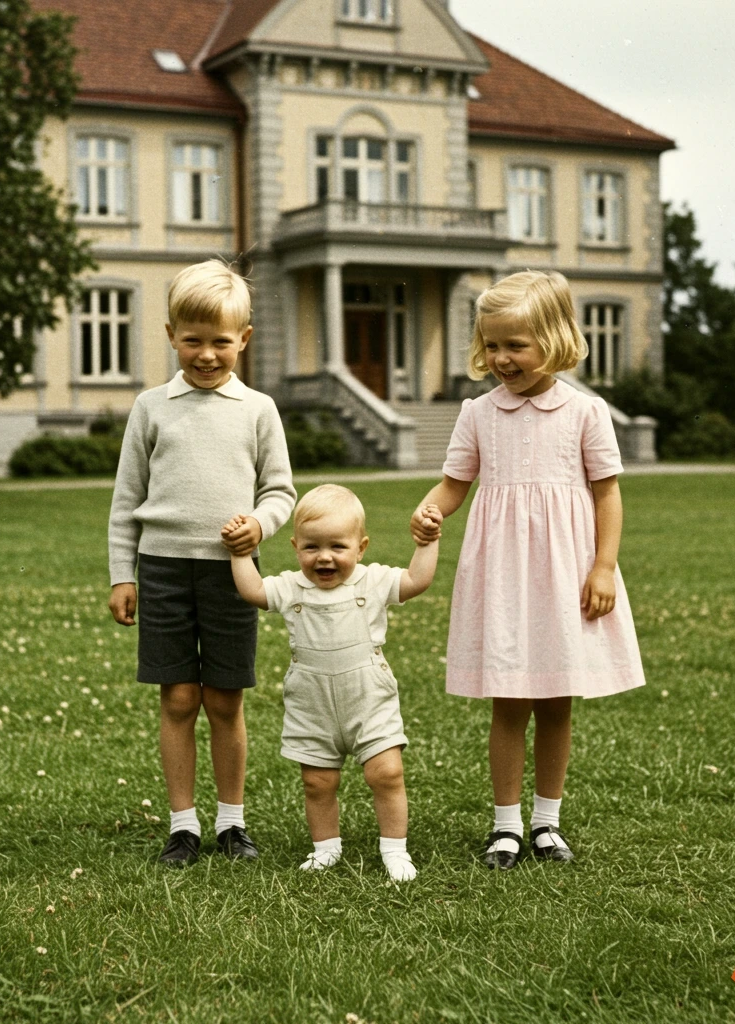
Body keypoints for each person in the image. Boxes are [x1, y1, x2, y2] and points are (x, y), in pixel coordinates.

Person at [410, 271, 645, 870]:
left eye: (516, 345)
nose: (501, 358)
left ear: (557, 338)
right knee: (508, 699)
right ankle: (506, 826)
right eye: (492, 345)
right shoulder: (478, 412)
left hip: (566, 571)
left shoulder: (586, 413)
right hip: (502, 575)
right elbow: (455, 483)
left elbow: (607, 495)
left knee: (557, 700)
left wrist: (604, 566)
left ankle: (547, 822)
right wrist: (431, 510)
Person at [108, 260, 296, 867]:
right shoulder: (151, 407)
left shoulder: (258, 410)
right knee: (179, 699)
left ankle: (232, 824)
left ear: (244, 338)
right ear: (171, 336)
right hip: (162, 569)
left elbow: (281, 492)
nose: (207, 355)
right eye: (193, 340)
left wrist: (259, 525)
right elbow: (125, 500)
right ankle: (183, 826)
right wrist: (122, 573)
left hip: (231, 573)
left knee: (224, 700)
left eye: (221, 342)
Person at [225, 484, 441, 882]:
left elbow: (416, 580)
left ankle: (395, 850)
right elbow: (253, 590)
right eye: (311, 547)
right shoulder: (292, 587)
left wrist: (426, 542)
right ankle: (326, 847)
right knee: (317, 781)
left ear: (361, 548)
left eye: (337, 547)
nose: (324, 557)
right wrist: (240, 555)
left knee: (386, 772)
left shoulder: (372, 582)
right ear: (295, 548)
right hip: (312, 702)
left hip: (369, 698)